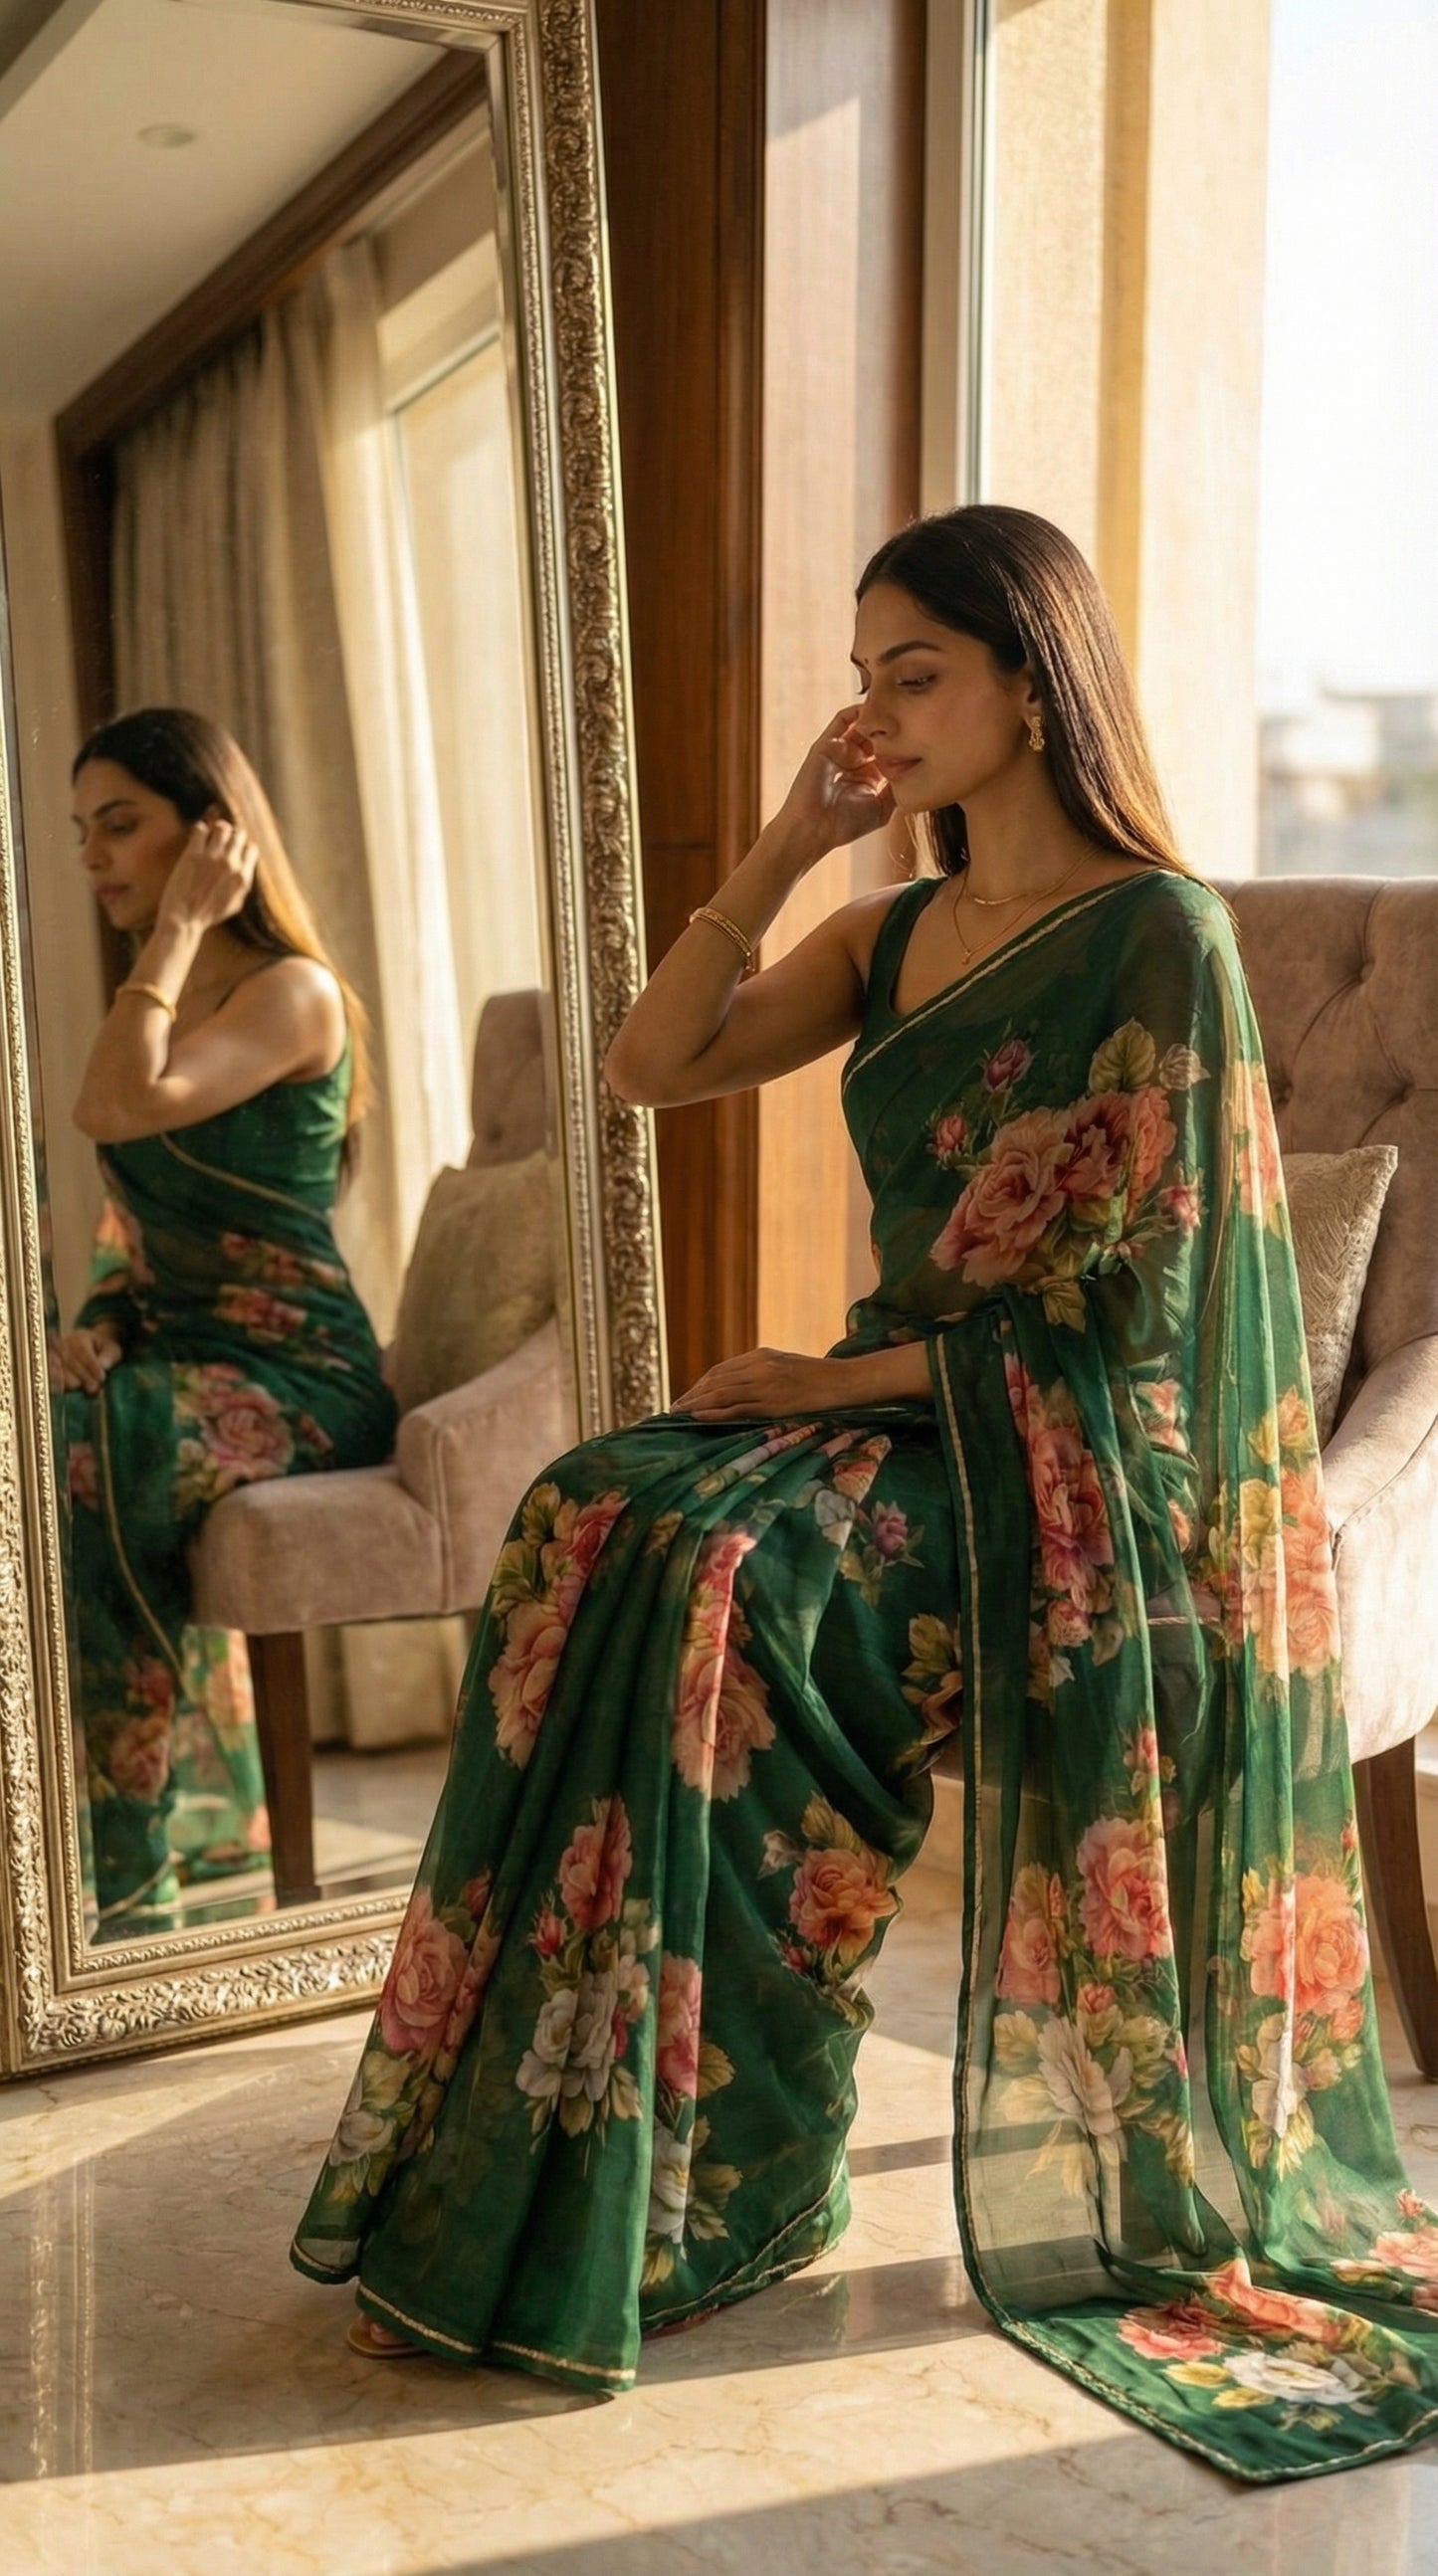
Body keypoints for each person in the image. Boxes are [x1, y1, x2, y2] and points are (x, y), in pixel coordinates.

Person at [293, 508, 1438, 2480]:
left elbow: (1149, 1320)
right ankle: (588, 2146)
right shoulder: (888, 931)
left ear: (1030, 678)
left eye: (917, 670)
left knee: (725, 1553)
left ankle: (725, 2173)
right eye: (864, 672)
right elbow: (649, 1062)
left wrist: (835, 1376)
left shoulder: (1153, 934)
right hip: (907, 1409)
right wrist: (782, 842)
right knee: (592, 1507)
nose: (879, 709)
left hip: (1071, 1439)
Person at [58, 709, 395, 1922]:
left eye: (121, 825)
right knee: (59, 1417)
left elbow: (110, 1105)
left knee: (83, 1455)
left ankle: (119, 1868)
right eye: (81, 832)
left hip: (298, 1379)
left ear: (212, 835)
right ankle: (52, 1844)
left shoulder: (289, 992)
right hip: (178, 1357)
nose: (94, 856)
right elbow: (131, 1231)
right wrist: (98, 1322)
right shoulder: (165, 990)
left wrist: (186, 922)